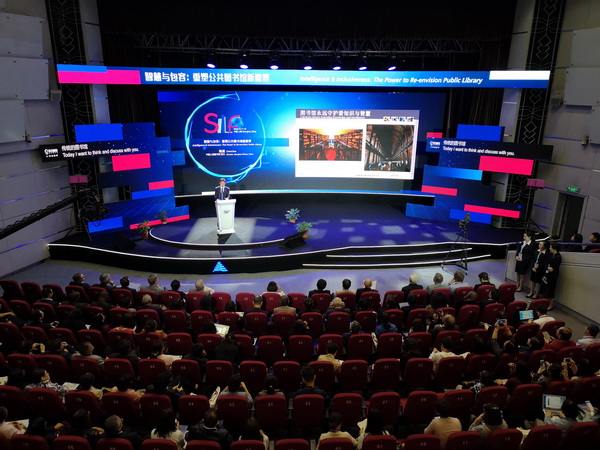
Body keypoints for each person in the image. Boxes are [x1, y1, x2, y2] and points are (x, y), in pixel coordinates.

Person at [541, 242, 562, 310]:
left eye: (550, 247)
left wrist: (548, 267)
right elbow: (546, 263)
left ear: (554, 248)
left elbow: (552, 269)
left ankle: (551, 305)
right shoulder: (550, 255)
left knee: (551, 290)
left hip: (553, 276)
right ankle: (545, 303)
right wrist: (547, 267)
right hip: (547, 274)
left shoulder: (558, 257)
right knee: (545, 289)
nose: (549, 248)